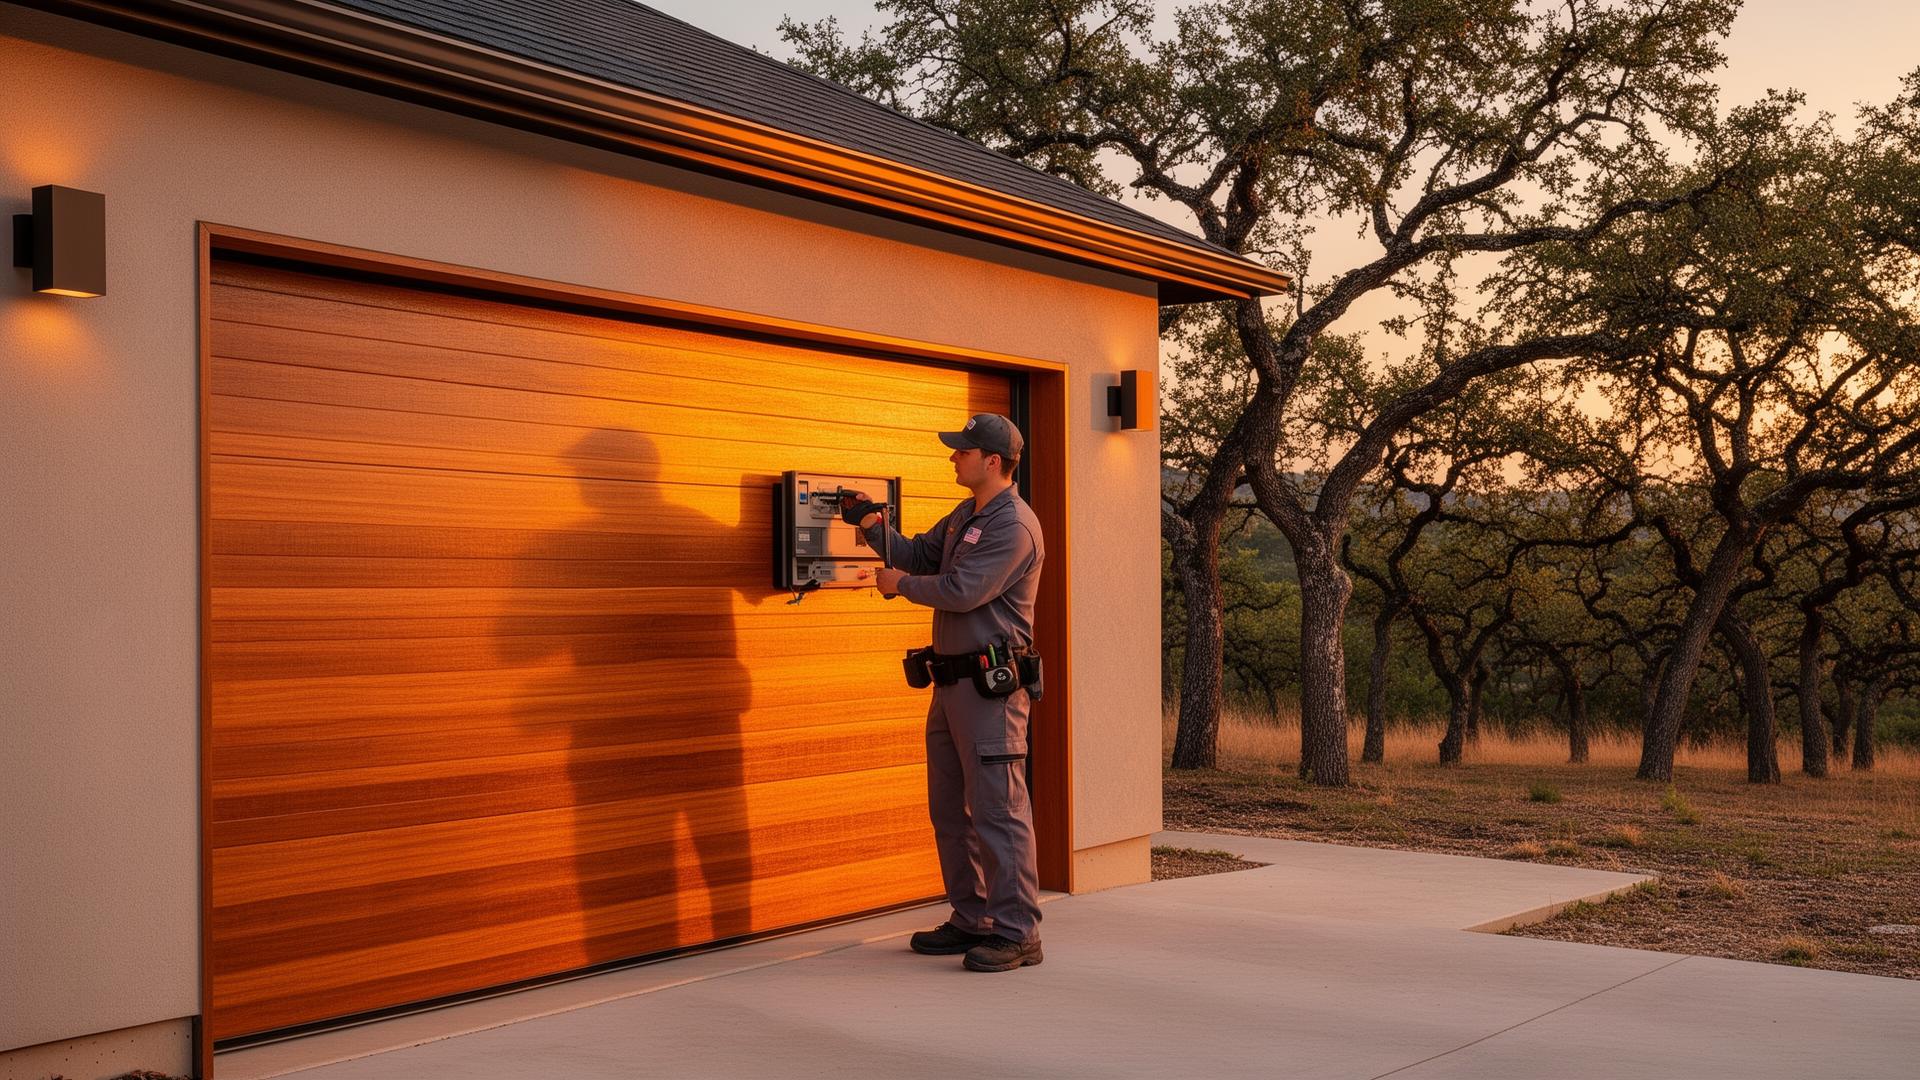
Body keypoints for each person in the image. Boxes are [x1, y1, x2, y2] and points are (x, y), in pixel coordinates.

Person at [839, 413, 1046, 972]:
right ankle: (972, 916)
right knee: (949, 811)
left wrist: (898, 587)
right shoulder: (966, 515)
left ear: (993, 462)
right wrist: (871, 525)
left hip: (990, 691)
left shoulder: (1013, 526)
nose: (954, 457)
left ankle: (1017, 931)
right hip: (950, 685)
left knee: (999, 811)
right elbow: (918, 555)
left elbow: (963, 590)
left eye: (963, 451)